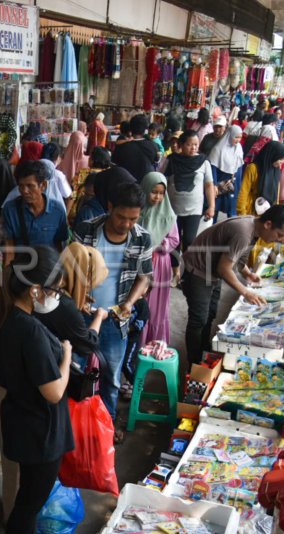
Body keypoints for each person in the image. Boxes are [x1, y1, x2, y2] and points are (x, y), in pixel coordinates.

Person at [0, 246, 74, 534]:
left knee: (27, 497)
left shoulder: (9, 317)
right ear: (35, 290)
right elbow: (54, 392)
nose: (57, 297)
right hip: (39, 432)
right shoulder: (30, 330)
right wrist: (67, 355)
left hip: (22, 420)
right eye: (56, 291)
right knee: (28, 504)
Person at [181, 205, 284, 372]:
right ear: (268, 224)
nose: (280, 240)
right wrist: (245, 291)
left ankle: (204, 353)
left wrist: (247, 273)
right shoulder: (243, 232)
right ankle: (194, 365)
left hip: (211, 271)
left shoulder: (254, 229)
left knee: (210, 314)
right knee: (198, 319)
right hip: (198, 270)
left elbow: (236, 259)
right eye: (280, 234)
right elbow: (224, 268)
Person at [73, 182, 153, 423]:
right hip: (82, 315)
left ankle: (105, 427)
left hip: (116, 319)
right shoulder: (87, 229)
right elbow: (71, 269)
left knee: (112, 379)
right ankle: (76, 427)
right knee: (75, 372)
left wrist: (129, 302)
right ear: (109, 207)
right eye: (121, 217)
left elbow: (144, 277)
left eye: (133, 218)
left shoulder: (142, 238)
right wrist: (79, 293)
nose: (126, 224)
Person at [36, 242, 109, 362]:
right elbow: (87, 345)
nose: (89, 288)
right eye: (91, 283)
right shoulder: (65, 306)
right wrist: (99, 317)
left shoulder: (46, 287)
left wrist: (79, 300)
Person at [138, 172, 179, 345]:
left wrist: (160, 244)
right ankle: (137, 341)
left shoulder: (168, 216)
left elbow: (174, 239)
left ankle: (153, 342)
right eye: (153, 192)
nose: (157, 197)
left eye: (161, 193)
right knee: (139, 301)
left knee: (157, 305)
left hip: (160, 264)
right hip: (139, 263)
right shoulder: (136, 212)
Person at [2, 161, 69, 264]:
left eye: (30, 186)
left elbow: (60, 247)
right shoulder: (10, 210)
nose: (24, 191)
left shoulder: (57, 211)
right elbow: (9, 249)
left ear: (43, 185)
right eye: (21, 186)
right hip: (21, 268)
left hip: (47, 269)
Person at [165, 130, 215, 252]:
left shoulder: (204, 162)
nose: (193, 147)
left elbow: (209, 185)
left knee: (190, 240)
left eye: (196, 144)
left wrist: (211, 206)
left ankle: (187, 267)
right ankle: (175, 269)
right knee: (173, 240)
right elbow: (162, 181)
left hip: (194, 209)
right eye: (189, 144)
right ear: (181, 145)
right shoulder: (171, 160)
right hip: (173, 209)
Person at [236, 141, 284, 215]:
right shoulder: (253, 168)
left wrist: (275, 211)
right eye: (281, 159)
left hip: (268, 213)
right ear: (272, 155)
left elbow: (276, 192)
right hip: (251, 213)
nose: (283, 162)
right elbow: (244, 192)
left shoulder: (276, 170)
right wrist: (242, 213)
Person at [208, 125, 245, 220]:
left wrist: (238, 184)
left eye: (240, 137)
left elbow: (239, 166)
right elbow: (213, 168)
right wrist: (214, 185)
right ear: (230, 135)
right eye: (236, 137)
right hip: (220, 183)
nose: (238, 140)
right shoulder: (218, 149)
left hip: (232, 183)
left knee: (232, 210)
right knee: (215, 208)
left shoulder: (239, 148)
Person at [111, 114, 161, 181]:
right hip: (145, 184)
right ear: (145, 130)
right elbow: (157, 161)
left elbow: (114, 164)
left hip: (126, 185)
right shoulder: (154, 146)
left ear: (131, 128)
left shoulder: (121, 147)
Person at [41, 142, 74, 211]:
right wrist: (65, 215)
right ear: (58, 157)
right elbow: (70, 196)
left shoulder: (32, 169)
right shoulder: (58, 175)